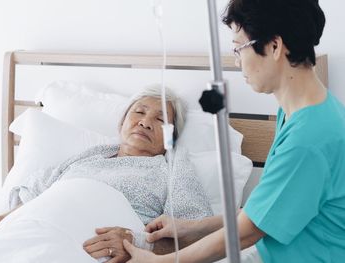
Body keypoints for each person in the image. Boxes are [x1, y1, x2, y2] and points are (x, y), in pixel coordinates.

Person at [122, 0, 345, 262]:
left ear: (274, 46)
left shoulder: (309, 139)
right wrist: (190, 227)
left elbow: (247, 231)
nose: (237, 62)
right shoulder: (302, 111)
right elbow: (264, 210)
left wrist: (160, 262)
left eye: (239, 48)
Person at [0, 85, 213, 262]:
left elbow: (194, 235)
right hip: (28, 230)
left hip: (87, 247)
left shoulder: (171, 170)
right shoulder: (87, 158)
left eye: (160, 120)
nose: (145, 122)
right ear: (121, 123)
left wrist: (136, 243)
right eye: (139, 112)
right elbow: (35, 203)